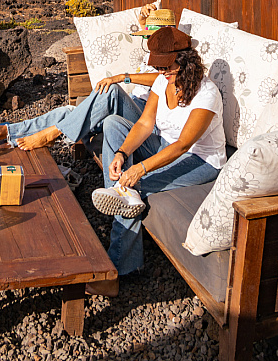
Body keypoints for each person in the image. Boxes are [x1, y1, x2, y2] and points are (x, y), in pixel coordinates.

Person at [89, 25, 226, 296]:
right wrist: (122, 154)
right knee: (114, 123)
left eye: (167, 67)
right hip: (164, 144)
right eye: (159, 67)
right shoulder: (163, 81)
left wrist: (140, 168)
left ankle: (118, 269)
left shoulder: (206, 93)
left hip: (199, 160)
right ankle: (118, 193)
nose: (162, 72)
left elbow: (183, 145)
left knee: (132, 189)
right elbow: (143, 123)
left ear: (185, 61)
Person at [0, 3, 168, 151]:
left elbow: (159, 80)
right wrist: (145, 20)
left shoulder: (173, 60)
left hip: (144, 116)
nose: (148, 39)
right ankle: (2, 133)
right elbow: (147, 37)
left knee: (112, 91)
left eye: (152, 35)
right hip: (131, 105)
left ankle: (52, 133)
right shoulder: (153, 49)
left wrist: (123, 77)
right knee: (67, 112)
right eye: (148, 35)